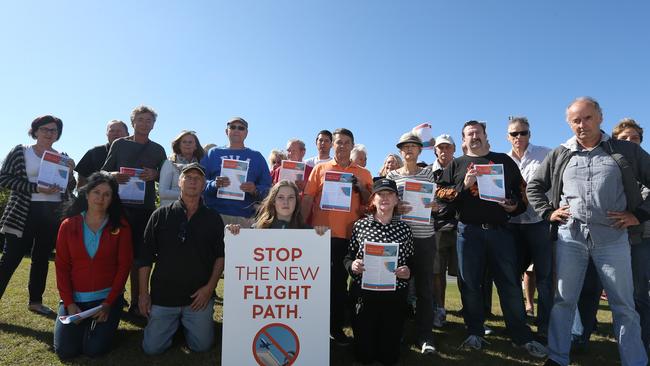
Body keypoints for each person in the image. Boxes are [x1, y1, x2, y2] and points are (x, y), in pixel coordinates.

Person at [527, 97, 650, 366]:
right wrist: (549, 212)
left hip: (613, 239)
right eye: (576, 120)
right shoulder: (561, 153)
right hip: (570, 238)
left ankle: (635, 361)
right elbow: (534, 186)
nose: (582, 125)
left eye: (587, 118)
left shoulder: (624, 151)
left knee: (624, 306)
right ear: (569, 123)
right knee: (563, 302)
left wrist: (638, 215)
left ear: (600, 117)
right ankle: (557, 358)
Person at [436, 120, 547, 358]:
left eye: (478, 133)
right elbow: (440, 193)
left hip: (501, 231)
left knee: (509, 284)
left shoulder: (504, 161)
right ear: (464, 140)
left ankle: (521, 335)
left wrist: (513, 206)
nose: (474, 137)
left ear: (486, 136)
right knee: (470, 284)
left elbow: (522, 192)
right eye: (469, 134)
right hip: (469, 232)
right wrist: (464, 185)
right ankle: (475, 332)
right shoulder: (457, 164)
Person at [138, 163, 225, 355]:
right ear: (179, 182)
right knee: (152, 349)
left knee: (201, 346)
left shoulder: (213, 218)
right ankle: (176, 326)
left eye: (198, 178)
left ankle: (181, 326)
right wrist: (144, 294)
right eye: (188, 177)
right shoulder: (160, 215)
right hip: (164, 297)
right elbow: (144, 257)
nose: (193, 181)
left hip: (198, 298)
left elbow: (220, 257)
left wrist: (209, 289)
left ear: (204, 185)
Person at [302, 128, 373, 345]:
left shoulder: (363, 173)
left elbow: (371, 204)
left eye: (346, 142)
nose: (342, 146)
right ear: (333, 145)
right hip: (320, 234)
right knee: (315, 282)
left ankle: (336, 328)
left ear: (352, 146)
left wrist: (361, 187)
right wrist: (302, 227)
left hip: (349, 235)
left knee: (340, 285)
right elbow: (307, 198)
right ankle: (311, 326)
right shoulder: (320, 169)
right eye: (338, 142)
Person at [0, 115, 76, 315]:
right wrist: (35, 187)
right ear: (35, 131)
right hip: (23, 212)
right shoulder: (21, 151)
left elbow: (70, 187)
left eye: (54, 130)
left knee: (41, 258)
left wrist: (70, 173)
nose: (50, 133)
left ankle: (35, 301)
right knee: (11, 258)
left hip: (52, 213)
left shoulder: (63, 156)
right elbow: (4, 178)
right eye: (45, 129)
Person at [53, 172, 133, 359]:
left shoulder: (121, 226)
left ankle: (104, 323)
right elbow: (61, 267)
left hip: (106, 301)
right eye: (97, 192)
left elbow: (124, 266)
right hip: (74, 301)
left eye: (107, 194)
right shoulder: (68, 225)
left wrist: (108, 303)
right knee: (66, 352)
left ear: (112, 199)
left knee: (93, 350)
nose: (101, 198)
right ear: (87, 194)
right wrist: (70, 304)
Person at [101, 105, 166, 316]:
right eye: (141, 119)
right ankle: (113, 301)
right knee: (115, 256)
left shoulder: (158, 149)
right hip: (119, 207)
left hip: (145, 210)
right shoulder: (120, 144)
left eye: (149, 121)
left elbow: (166, 177)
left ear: (154, 125)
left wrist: (155, 174)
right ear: (133, 122)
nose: (145, 124)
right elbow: (103, 170)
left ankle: (138, 304)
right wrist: (113, 175)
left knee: (140, 258)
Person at [344, 178, 414, 365]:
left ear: (397, 200)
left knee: (389, 355)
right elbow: (348, 257)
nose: (385, 198)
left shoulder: (404, 229)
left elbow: (411, 261)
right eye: (380, 194)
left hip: (394, 293)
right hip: (364, 292)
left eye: (389, 194)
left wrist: (408, 271)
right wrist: (352, 265)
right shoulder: (360, 226)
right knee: (364, 354)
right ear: (373, 200)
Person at [385, 132, 437, 354]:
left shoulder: (428, 175)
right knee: (397, 288)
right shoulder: (392, 175)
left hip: (425, 237)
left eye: (413, 146)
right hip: (399, 237)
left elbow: (434, 203)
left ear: (419, 150)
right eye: (404, 147)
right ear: (400, 151)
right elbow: (384, 203)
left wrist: (434, 206)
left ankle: (425, 336)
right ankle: (395, 333)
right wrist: (397, 208)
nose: (409, 150)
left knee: (425, 289)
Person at [505, 116, 553, 337]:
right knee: (511, 276)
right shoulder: (503, 160)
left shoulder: (546, 154)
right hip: (512, 225)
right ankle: (518, 323)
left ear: (529, 134)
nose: (519, 137)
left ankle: (544, 326)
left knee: (545, 277)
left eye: (523, 133)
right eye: (514, 134)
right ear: (508, 136)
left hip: (539, 223)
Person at [201, 117, 272, 226]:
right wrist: (214, 184)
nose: (236, 130)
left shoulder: (257, 157)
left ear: (246, 133)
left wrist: (255, 190)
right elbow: (200, 182)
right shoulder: (213, 153)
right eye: (232, 127)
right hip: (215, 215)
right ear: (226, 131)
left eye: (241, 128)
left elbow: (268, 189)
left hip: (245, 217)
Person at [430, 134, 459, 328]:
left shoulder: (463, 168)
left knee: (464, 273)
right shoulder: (427, 173)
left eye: (448, 147)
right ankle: (440, 309)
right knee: (437, 273)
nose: (444, 151)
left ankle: (472, 313)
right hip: (437, 228)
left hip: (460, 227)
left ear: (454, 149)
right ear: (435, 151)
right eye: (440, 148)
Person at [75, 120, 129, 189]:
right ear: (107, 134)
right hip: (99, 198)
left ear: (127, 134)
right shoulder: (94, 153)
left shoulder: (135, 154)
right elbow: (81, 181)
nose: (115, 133)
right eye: (111, 131)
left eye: (119, 131)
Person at [159, 130, 204, 207]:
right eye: (184, 142)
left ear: (196, 146)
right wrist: (189, 195)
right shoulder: (169, 163)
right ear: (179, 145)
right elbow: (162, 193)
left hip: (193, 211)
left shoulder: (201, 166)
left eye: (190, 142)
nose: (187, 144)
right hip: (171, 210)